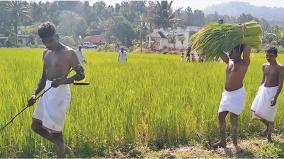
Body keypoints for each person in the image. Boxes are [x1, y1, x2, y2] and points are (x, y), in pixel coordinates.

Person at [27, 22, 85, 157]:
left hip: (60, 94)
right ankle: (62, 147)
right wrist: (34, 94)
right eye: (45, 42)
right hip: (47, 91)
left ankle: (61, 149)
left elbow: (81, 74)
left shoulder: (69, 53)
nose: (49, 45)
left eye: (51, 41)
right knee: (35, 126)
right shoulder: (46, 53)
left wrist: (63, 81)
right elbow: (43, 78)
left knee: (56, 132)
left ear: (57, 36)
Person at [212, 44, 251, 149]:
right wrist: (215, 40)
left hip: (237, 94)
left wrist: (243, 34)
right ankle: (222, 141)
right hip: (226, 94)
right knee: (220, 116)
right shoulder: (229, 61)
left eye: (232, 50)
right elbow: (218, 50)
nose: (230, 52)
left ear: (239, 51)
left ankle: (235, 143)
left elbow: (247, 48)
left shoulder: (244, 63)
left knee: (233, 118)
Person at [251, 47, 284, 142]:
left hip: (273, 91)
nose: (268, 57)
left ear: (276, 56)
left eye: (271, 56)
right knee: (255, 111)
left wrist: (275, 97)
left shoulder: (280, 67)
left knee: (269, 115)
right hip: (263, 90)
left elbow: (281, 83)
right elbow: (263, 80)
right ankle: (268, 127)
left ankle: (269, 137)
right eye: (267, 55)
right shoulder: (264, 66)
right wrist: (258, 91)